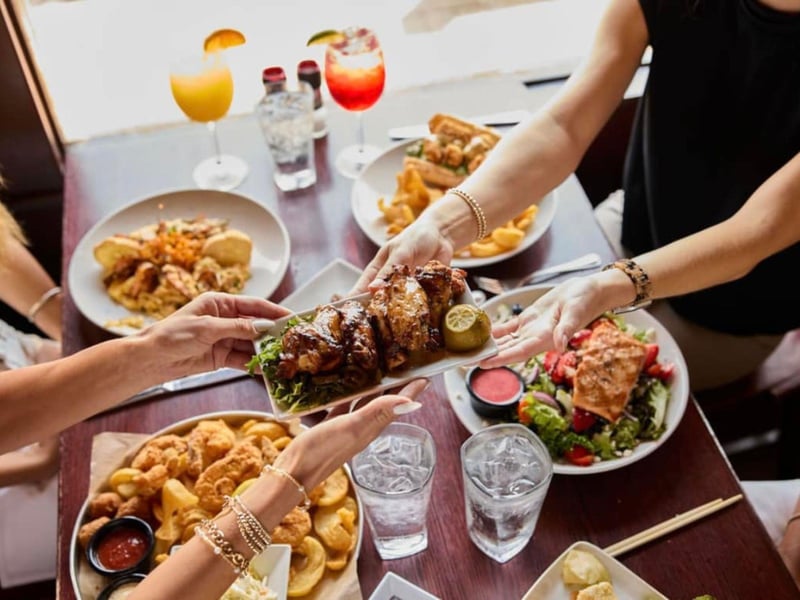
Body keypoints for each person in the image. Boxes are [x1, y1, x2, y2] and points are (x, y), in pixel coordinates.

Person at [356, 0, 800, 393]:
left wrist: (609, 286)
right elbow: (563, 126)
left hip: (732, 310)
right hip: (631, 228)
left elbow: (755, 231)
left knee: (554, 387)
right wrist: (443, 223)